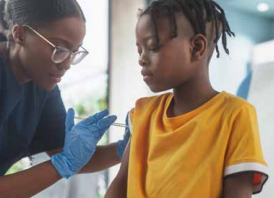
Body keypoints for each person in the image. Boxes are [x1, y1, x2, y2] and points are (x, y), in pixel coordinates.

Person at [0, 0, 129, 197]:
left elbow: (70, 155)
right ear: (20, 35)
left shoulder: (40, 82)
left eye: (74, 51)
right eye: (59, 49)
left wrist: (125, 148)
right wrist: (63, 164)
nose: (67, 64)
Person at [105, 0, 269, 197]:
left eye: (153, 47)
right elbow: (119, 188)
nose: (141, 58)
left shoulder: (234, 114)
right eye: (139, 49)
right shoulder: (143, 114)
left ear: (197, 47)